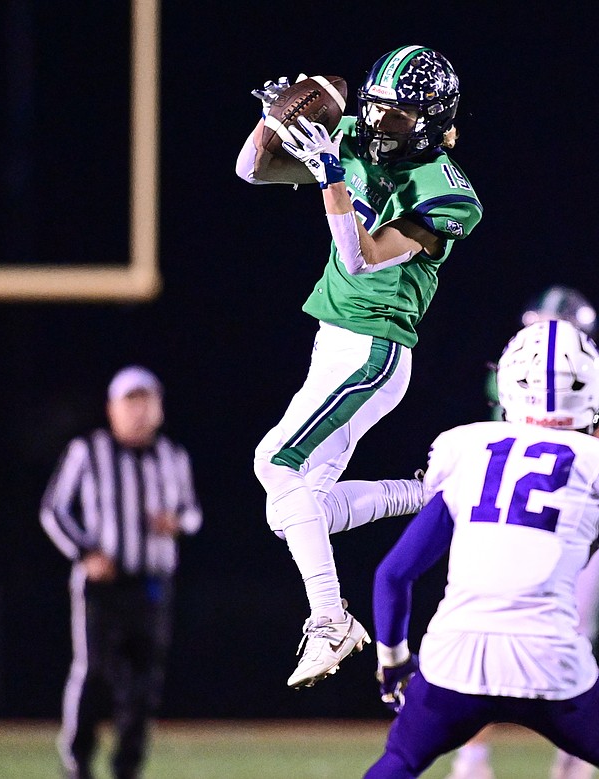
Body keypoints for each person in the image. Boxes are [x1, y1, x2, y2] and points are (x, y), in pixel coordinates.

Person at [235, 46, 483, 688]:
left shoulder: (447, 193)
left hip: (373, 350)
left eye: (397, 117)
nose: (378, 125)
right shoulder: (354, 132)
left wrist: (329, 178)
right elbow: (250, 173)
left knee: (274, 464)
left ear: (429, 123)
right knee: (291, 506)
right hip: (334, 342)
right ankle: (427, 493)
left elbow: (361, 260)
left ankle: (330, 621)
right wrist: (273, 120)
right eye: (375, 108)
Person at [366, 320, 599, 779]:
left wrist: (394, 662)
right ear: (594, 392)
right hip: (551, 662)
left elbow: (394, 574)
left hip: (457, 657)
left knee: (400, 762)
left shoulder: (465, 448)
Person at [450, 286, 599, 779]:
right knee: (477, 625)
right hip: (502, 519)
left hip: (572, 528)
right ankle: (472, 755)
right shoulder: (507, 375)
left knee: (571, 635)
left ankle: (576, 750)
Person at [40, 366, 202, 779]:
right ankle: (77, 762)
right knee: (93, 673)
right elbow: (54, 510)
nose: (139, 411)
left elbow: (193, 513)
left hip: (152, 585)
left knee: (143, 684)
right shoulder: (87, 451)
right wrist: (85, 552)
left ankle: (127, 767)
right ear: (112, 409)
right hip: (102, 586)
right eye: (130, 402)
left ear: (160, 409)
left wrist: (177, 523)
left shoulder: (173, 456)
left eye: (147, 401)